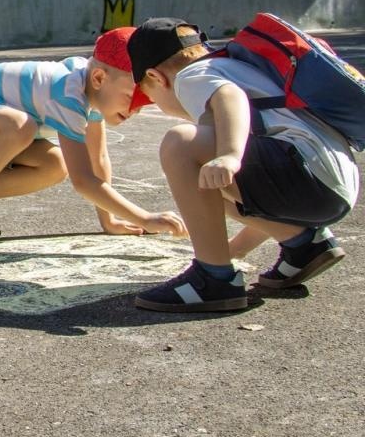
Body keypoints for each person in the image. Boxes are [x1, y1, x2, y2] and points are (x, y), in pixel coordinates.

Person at [127, 17, 357, 312]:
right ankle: (303, 245)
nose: (159, 106)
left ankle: (213, 279)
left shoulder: (192, 75)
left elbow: (230, 96)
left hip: (305, 176)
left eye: (151, 97)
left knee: (180, 143)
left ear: (156, 77)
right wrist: (232, 250)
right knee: (208, 182)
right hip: (329, 186)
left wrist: (230, 155)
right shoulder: (234, 67)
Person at [0, 26, 185, 250]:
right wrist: (144, 218)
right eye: (130, 97)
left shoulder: (92, 94)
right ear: (99, 77)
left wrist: (109, 221)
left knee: (55, 165)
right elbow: (84, 181)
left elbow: (98, 160)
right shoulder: (68, 93)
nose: (135, 109)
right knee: (21, 126)